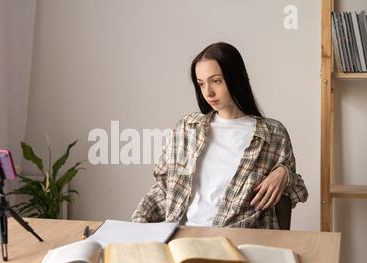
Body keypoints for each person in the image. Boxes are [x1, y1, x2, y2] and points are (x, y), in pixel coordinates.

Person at [131, 42, 308, 229]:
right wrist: (136, 225)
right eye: (201, 84)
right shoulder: (187, 128)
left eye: (216, 81)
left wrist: (285, 174)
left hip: (239, 240)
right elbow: (165, 189)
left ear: (238, 78)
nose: (208, 92)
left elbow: (294, 192)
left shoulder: (272, 134)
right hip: (183, 236)